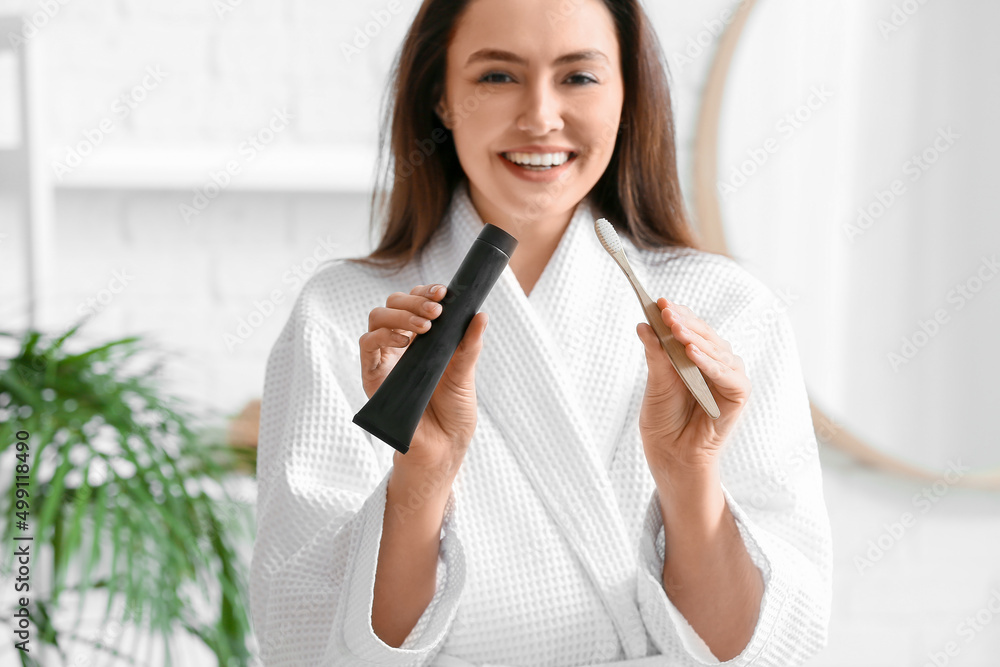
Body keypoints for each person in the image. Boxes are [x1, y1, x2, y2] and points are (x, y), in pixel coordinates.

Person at [249, 0, 833, 665]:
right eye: (497, 76)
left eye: (578, 77)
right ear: (440, 97)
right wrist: (423, 477)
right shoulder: (342, 316)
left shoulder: (729, 311)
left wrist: (688, 475)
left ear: (626, 96)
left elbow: (778, 649)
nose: (541, 117)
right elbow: (306, 642)